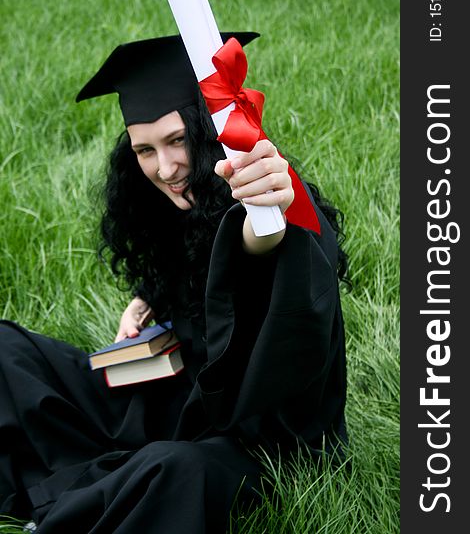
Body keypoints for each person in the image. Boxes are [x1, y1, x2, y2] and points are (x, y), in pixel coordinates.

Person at [0, 31, 348, 533]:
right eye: (145, 149)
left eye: (178, 139)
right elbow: (189, 270)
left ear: (208, 131)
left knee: (173, 471)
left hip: (252, 439)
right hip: (176, 401)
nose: (164, 169)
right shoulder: (167, 204)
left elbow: (262, 245)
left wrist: (266, 216)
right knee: (8, 350)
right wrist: (150, 297)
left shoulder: (262, 194)